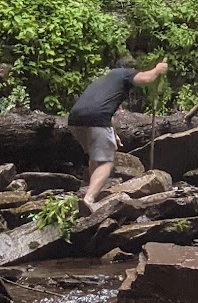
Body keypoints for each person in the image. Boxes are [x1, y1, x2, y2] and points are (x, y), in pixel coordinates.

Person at [67, 57, 169, 209]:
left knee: (95, 157)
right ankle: (89, 199)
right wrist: (158, 69)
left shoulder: (106, 80)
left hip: (75, 119)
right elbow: (147, 78)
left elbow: (104, 107)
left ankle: (87, 189)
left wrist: (113, 133)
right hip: (97, 119)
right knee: (106, 162)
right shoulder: (124, 74)